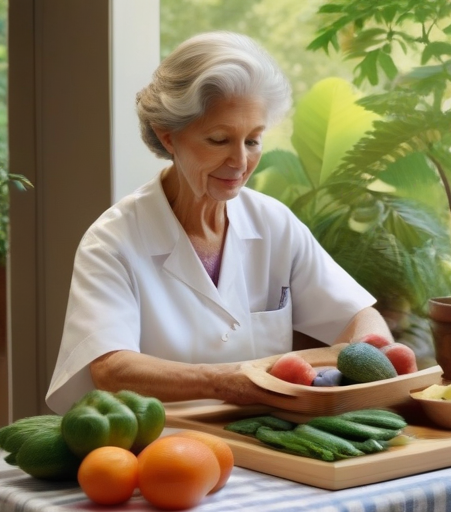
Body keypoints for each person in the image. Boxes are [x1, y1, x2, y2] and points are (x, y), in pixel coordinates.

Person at [46, 31, 393, 414]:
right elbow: (112, 368)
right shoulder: (112, 241)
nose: (240, 162)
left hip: (268, 443)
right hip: (162, 450)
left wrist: (373, 351)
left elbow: (358, 315)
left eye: (253, 141)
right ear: (170, 137)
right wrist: (231, 382)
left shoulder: (274, 223)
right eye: (218, 139)